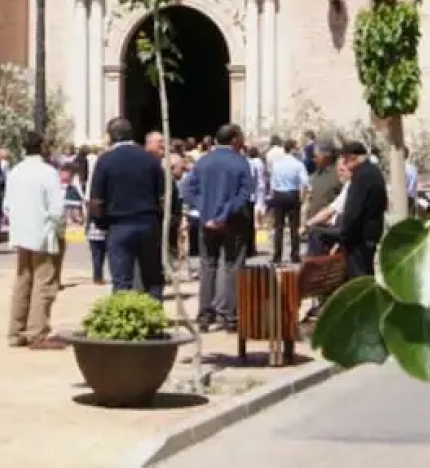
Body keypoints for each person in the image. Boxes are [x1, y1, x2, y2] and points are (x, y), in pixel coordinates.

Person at [180, 124, 254, 331]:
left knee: (207, 266)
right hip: (234, 221)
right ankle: (228, 314)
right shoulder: (240, 162)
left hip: (207, 221)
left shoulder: (203, 161)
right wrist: (225, 213)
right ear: (233, 140)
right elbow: (245, 193)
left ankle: (205, 314)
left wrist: (205, 211)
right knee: (232, 265)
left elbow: (187, 189)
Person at [89, 117, 165, 299]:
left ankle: (126, 319)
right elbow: (162, 196)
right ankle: (153, 317)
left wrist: (101, 223)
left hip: (119, 225)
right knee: (152, 278)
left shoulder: (105, 161)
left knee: (122, 280)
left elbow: (96, 200)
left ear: (111, 136)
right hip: (148, 223)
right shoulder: (150, 159)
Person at [3, 131, 66, 350]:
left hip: (22, 235)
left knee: (23, 280)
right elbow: (57, 210)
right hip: (44, 235)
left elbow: (7, 206)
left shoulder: (15, 171)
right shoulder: (48, 173)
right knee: (44, 283)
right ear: (41, 147)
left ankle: (16, 330)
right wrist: (58, 232)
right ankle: (37, 332)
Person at [337, 141, 387, 278]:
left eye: (345, 160)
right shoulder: (374, 171)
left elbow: (354, 209)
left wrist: (344, 234)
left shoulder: (361, 176)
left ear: (352, 158)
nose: (345, 165)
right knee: (367, 272)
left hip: (359, 237)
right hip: (372, 231)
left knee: (359, 276)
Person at [266, 135, 309, 264]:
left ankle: (277, 255)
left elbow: (273, 182)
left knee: (278, 227)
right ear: (292, 149)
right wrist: (304, 194)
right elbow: (305, 181)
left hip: (278, 194)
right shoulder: (298, 164)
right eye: (296, 148)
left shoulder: (277, 164)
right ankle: (295, 255)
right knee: (294, 227)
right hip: (292, 194)